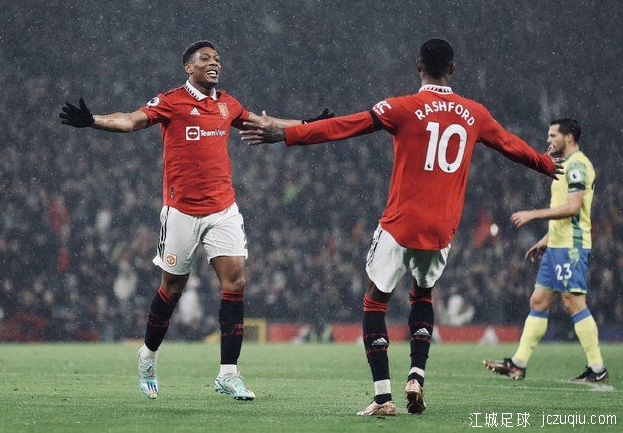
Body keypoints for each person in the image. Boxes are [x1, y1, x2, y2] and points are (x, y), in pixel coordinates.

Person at [241, 38, 563, 416]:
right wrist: (544, 164)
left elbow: (346, 126)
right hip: (441, 229)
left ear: (417, 66)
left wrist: (287, 133)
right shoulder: (474, 113)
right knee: (422, 295)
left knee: (374, 301)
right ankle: (416, 375)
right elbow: (509, 145)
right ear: (453, 70)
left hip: (401, 222)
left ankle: (383, 398)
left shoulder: (401, 107)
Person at [59, 40, 332, 401]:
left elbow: (266, 124)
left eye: (217, 59)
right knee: (172, 289)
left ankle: (228, 373)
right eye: (205, 59)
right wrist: (94, 120)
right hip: (181, 213)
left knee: (235, 283)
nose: (214, 63)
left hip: (223, 210)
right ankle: (148, 355)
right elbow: (131, 120)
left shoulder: (228, 104)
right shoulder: (171, 101)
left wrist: (308, 125)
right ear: (188, 67)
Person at [483, 118, 608, 383]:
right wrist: (546, 238)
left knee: (573, 303)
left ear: (569, 137)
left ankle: (597, 368)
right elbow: (566, 208)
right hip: (556, 244)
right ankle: (518, 364)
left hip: (571, 246)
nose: (549, 140)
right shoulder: (565, 165)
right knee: (538, 301)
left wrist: (533, 215)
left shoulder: (577, 166)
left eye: (553, 135)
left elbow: (573, 208)